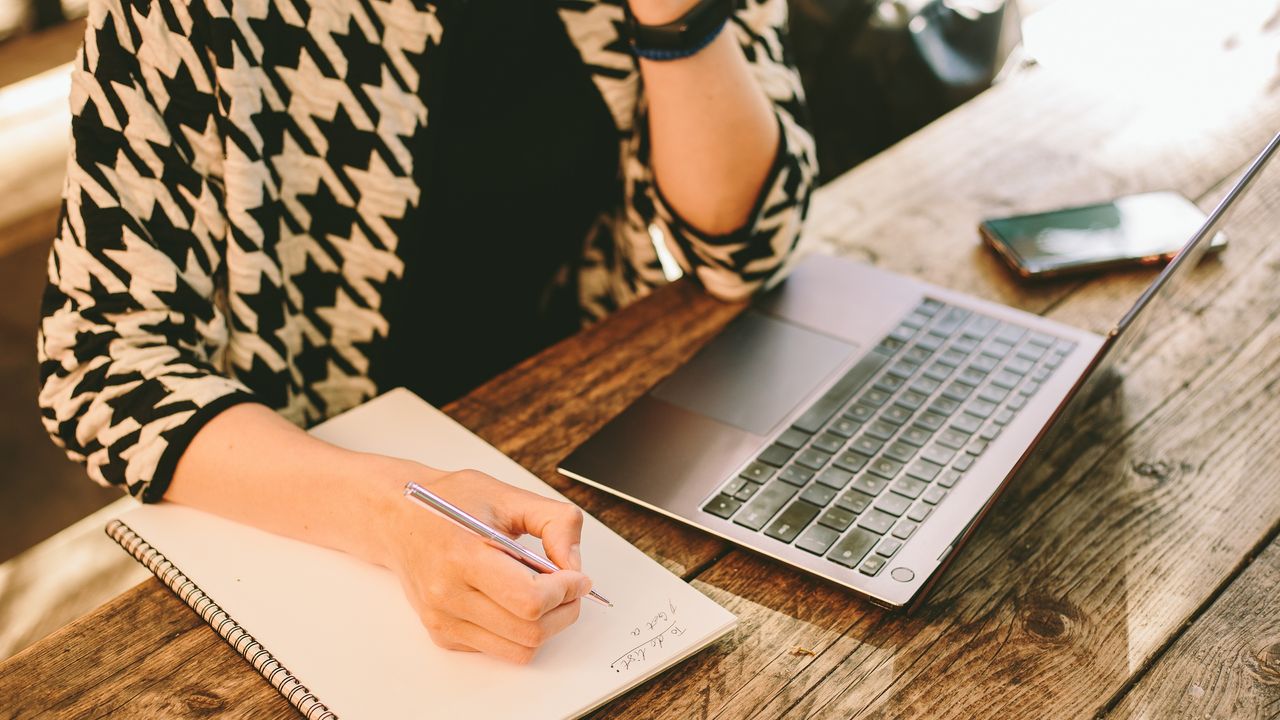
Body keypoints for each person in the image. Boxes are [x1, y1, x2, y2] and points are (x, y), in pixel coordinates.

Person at [37, 0, 816, 663]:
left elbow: (748, 248)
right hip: (297, 497)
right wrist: (391, 512)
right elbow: (98, 361)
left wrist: (673, 16)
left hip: (560, 446)